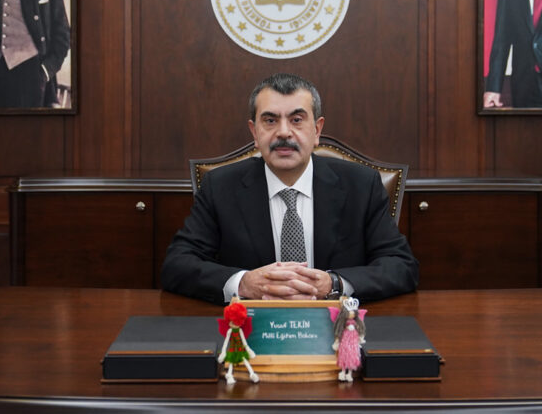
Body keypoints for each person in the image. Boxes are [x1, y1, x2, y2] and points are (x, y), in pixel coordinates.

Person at [160, 73, 419, 305]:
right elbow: (177, 265)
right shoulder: (221, 186)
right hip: (252, 327)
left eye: (296, 120)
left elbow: (401, 266)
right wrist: (243, 283)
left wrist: (334, 284)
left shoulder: (361, 185)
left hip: (336, 326)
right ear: (254, 132)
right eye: (270, 120)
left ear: (317, 130)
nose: (284, 132)